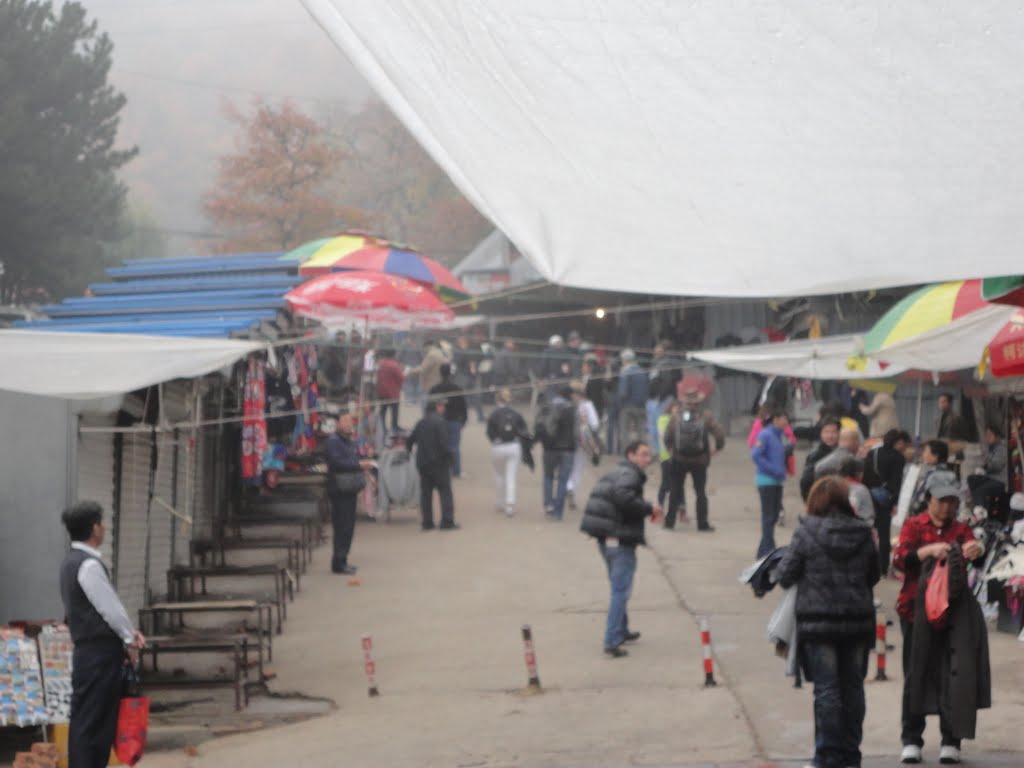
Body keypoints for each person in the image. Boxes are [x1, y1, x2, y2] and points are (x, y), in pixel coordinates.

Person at [776, 476, 880, 768]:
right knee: (853, 688)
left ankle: (827, 756)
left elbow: (785, 575)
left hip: (818, 624)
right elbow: (874, 575)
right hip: (858, 621)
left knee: (826, 690)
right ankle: (851, 754)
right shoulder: (864, 533)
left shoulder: (806, 532)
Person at [892, 474, 986, 765]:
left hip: (953, 614)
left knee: (954, 675)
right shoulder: (914, 525)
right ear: (929, 500)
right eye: (940, 501)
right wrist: (927, 551)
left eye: (951, 502)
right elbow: (900, 559)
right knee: (915, 673)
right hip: (915, 611)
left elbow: (975, 555)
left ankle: (951, 740)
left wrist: (976, 550)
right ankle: (911, 739)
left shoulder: (960, 529)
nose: (946, 508)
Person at [59, 501, 147, 768]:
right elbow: (110, 608)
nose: (105, 528)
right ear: (94, 527)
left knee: (87, 720)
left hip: (88, 653)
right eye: (101, 522)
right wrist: (130, 637)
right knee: (95, 724)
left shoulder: (70, 562)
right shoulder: (89, 565)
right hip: (99, 655)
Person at [579, 440, 662, 658]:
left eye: (648, 455)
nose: (647, 459)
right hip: (618, 538)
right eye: (643, 455)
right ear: (631, 455)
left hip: (605, 536)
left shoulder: (617, 471)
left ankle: (621, 630)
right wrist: (648, 508)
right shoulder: (630, 474)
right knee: (621, 590)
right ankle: (612, 639)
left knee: (618, 586)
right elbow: (622, 496)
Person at [662, 388, 726, 531]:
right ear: (699, 401)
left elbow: (667, 437)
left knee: (675, 491)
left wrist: (671, 451)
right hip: (700, 461)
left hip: (679, 459)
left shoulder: (676, 416)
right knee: (700, 493)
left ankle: (669, 522)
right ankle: (702, 524)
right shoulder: (706, 416)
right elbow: (719, 434)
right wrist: (718, 448)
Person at [326, 412, 373, 574]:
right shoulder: (333, 442)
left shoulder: (348, 441)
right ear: (338, 423)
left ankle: (343, 559)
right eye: (344, 421)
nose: (348, 424)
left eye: (350, 421)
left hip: (349, 489)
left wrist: (363, 459)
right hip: (339, 489)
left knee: (349, 526)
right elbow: (336, 462)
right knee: (342, 526)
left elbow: (351, 457)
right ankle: (338, 562)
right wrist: (358, 464)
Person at [862, 429, 912, 573]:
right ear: (899, 442)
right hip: (885, 500)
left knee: (867, 530)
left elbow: (865, 475)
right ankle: (882, 567)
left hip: (869, 495)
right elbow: (896, 483)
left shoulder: (873, 453)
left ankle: (865, 562)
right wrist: (894, 503)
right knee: (884, 535)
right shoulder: (898, 458)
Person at [408, 399, 458, 530]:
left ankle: (427, 522)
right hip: (439, 464)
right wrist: (450, 460)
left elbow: (410, 440)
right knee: (445, 491)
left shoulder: (420, 423)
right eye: (442, 406)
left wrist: (411, 454)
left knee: (426, 494)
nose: (444, 409)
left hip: (423, 464)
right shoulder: (440, 422)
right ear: (437, 407)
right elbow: (444, 444)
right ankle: (447, 521)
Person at [535, 385, 578, 520]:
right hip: (568, 449)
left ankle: (549, 504)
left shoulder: (547, 407)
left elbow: (539, 425)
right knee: (563, 480)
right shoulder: (572, 410)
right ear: (570, 396)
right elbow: (577, 432)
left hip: (549, 448)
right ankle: (558, 512)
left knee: (548, 477)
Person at [751, 409, 789, 557]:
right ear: (776, 419)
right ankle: (768, 551)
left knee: (773, 516)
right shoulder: (765, 434)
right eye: (784, 418)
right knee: (768, 517)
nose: (786, 422)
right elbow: (756, 455)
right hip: (766, 481)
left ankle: (764, 550)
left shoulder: (780, 436)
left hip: (778, 481)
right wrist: (773, 469)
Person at [486, 388, 529, 516]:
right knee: (511, 476)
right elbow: (524, 430)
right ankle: (510, 505)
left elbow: (489, 432)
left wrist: (495, 439)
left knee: (499, 475)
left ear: (497, 399)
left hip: (498, 446)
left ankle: (499, 502)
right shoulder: (516, 414)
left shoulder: (493, 414)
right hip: (513, 446)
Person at [429, 363, 468, 478]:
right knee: (454, 447)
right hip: (454, 421)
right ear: (451, 373)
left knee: (438, 446)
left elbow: (430, 406)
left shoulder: (435, 389)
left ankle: (440, 470)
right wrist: (464, 420)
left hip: (438, 421)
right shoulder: (457, 388)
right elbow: (463, 406)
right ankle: (456, 471)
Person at [566, 380, 601, 510]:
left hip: (567, 439)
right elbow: (595, 424)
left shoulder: (567, 404)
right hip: (583, 440)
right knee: (578, 468)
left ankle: (567, 486)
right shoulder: (588, 405)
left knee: (566, 466)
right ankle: (572, 492)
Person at [908, 439, 953, 516]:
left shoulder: (940, 475)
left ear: (935, 456)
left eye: (925, 451)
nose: (923, 454)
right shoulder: (936, 472)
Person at [968, 425, 1008, 510]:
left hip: (999, 480)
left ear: (997, 436)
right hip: (990, 477)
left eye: (990, 435)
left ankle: (982, 512)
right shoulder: (991, 448)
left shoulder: (1002, 448)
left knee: (979, 492)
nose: (987, 438)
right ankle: (979, 506)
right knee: (971, 479)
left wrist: (985, 466)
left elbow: (997, 465)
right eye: (986, 435)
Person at [800, 417, 841, 500]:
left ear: (840, 433)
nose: (830, 436)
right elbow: (806, 481)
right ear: (821, 434)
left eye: (833, 432)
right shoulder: (815, 456)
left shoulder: (846, 452)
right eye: (826, 432)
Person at [616, 348, 649, 448]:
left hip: (627, 406)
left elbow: (623, 392)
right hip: (642, 406)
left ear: (624, 360)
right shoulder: (642, 372)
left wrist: (619, 403)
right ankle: (643, 453)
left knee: (625, 431)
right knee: (641, 431)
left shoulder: (625, 372)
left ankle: (628, 454)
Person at [840, 457, 876, 529]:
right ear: (858, 473)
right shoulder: (859, 489)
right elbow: (851, 508)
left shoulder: (838, 486)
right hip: (860, 528)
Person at [375, 348, 405, 432]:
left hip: (382, 391)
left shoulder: (381, 364)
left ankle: (382, 427)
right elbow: (401, 378)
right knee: (394, 411)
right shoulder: (394, 365)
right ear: (394, 355)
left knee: (383, 410)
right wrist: (403, 371)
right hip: (393, 392)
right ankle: (394, 426)